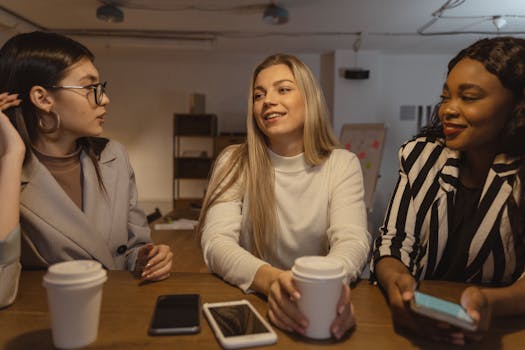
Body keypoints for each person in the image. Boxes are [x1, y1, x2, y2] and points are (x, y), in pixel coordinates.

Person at [198, 53, 371, 339]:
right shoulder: (233, 161)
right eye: (258, 94)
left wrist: (321, 289)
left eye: (283, 89)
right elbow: (216, 243)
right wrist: (275, 281)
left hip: (322, 308)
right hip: (255, 305)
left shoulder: (342, 163)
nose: (267, 100)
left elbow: (352, 240)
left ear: (310, 98)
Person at [0, 31, 173, 308]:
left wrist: (146, 259)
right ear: (43, 99)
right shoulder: (8, 171)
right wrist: (11, 155)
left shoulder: (113, 157)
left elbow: (131, 248)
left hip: (118, 314)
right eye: (90, 88)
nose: (104, 99)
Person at [371, 36, 525, 345]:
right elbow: (393, 243)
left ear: (516, 107)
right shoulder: (420, 157)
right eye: (446, 96)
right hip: (416, 326)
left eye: (468, 97)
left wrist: (490, 302)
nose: (447, 110)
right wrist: (396, 281)